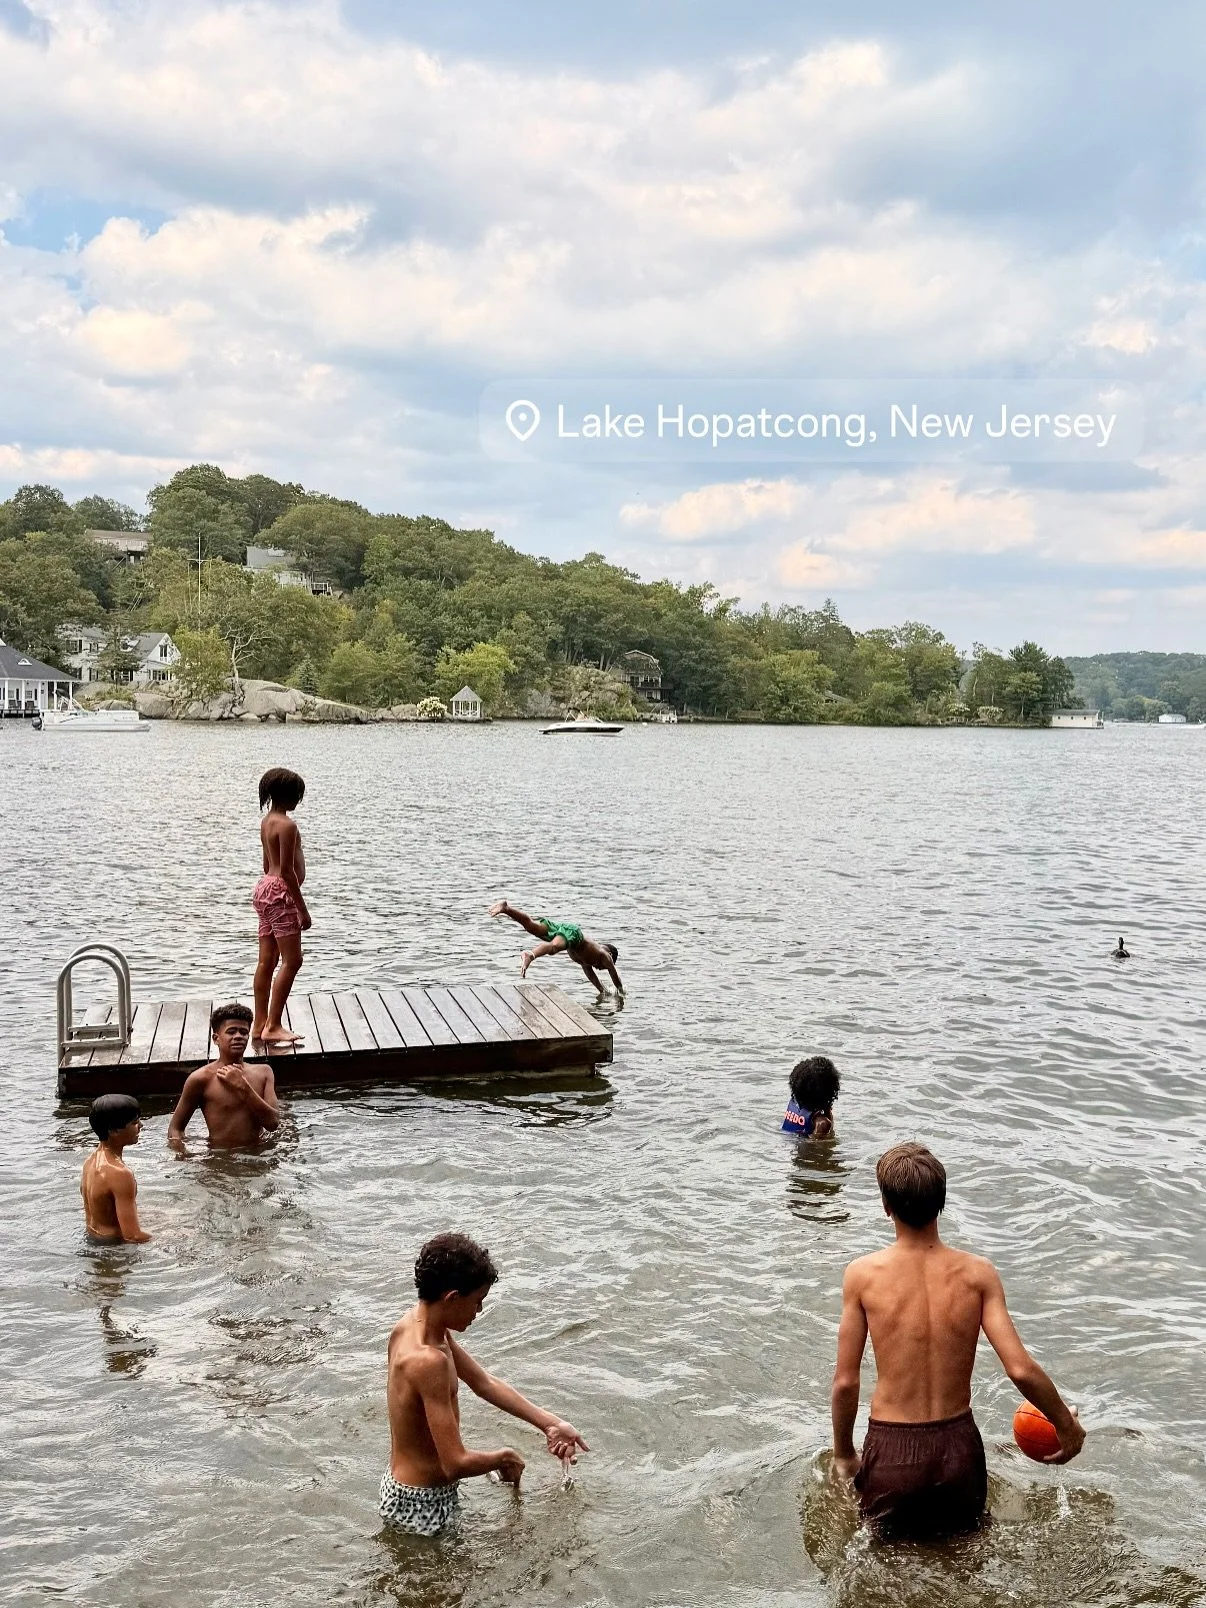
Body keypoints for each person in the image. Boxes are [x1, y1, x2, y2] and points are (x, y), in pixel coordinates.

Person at [831, 1142, 1084, 1539]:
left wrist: (845, 1454)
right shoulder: (978, 1274)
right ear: (942, 1203)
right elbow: (1019, 1367)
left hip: (894, 1451)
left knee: (879, 1568)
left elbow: (846, 1382)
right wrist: (1064, 1424)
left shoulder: (862, 1276)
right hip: (958, 1454)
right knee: (966, 1559)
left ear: (886, 1207)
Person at [381, 1232, 589, 1537]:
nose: (478, 1312)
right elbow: (455, 1463)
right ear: (452, 1297)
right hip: (421, 1505)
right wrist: (504, 1457)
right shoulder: (429, 1361)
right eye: (477, 1302)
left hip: (406, 1491)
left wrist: (550, 1424)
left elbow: (483, 1383)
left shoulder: (417, 1325)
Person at [167, 1003, 280, 1151]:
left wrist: (244, 1087)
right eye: (231, 1032)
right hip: (220, 1160)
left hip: (256, 1156)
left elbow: (273, 1123)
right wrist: (184, 1157)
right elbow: (175, 1129)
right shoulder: (201, 1078)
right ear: (216, 1038)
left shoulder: (264, 1072)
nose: (238, 1036)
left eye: (243, 1032)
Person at [252, 766, 310, 1045]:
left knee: (267, 960)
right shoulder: (287, 826)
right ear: (288, 795)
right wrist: (302, 909)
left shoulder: (267, 822)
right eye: (297, 795)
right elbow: (286, 872)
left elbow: (267, 865)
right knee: (292, 960)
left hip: (264, 889)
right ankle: (273, 1025)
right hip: (281, 893)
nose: (298, 801)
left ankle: (259, 1023)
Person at [488, 899, 623, 994]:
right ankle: (531, 955)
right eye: (603, 967)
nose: (600, 967)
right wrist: (621, 992)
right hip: (573, 933)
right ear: (610, 955)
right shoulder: (603, 954)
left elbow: (592, 977)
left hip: (565, 931)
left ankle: (506, 908)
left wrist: (602, 991)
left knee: (531, 927)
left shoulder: (586, 961)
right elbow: (614, 975)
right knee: (553, 947)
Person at [81, 1094, 151, 1244]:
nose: (141, 1126)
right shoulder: (120, 1173)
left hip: (92, 1240)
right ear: (113, 1130)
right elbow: (132, 1236)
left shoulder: (90, 1161)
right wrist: (170, 1237)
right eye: (134, 1122)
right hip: (113, 1248)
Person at [783, 1054, 840, 1139]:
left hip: (788, 1145)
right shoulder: (822, 1123)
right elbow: (818, 1148)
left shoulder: (794, 1103)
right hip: (805, 1150)